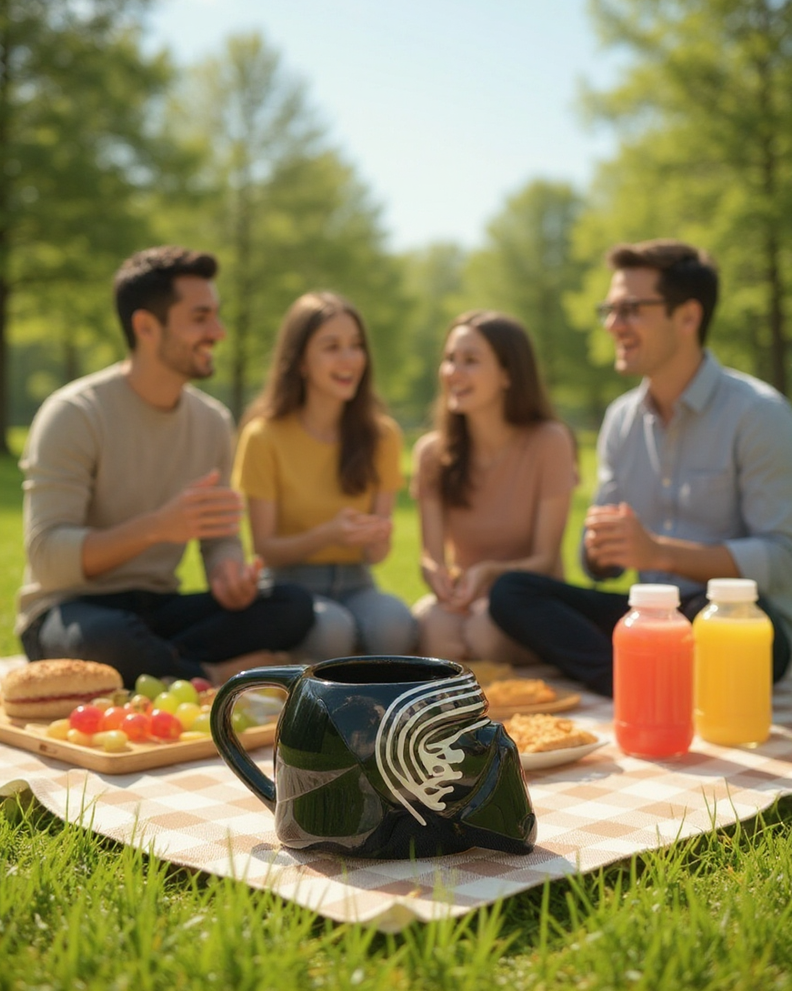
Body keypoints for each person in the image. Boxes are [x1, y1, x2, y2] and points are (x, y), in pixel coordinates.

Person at [488, 239, 792, 696]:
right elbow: (598, 567)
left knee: (763, 636)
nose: (613, 324)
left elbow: (781, 558)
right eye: (609, 310)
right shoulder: (621, 419)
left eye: (630, 309)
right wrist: (600, 548)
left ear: (688, 316)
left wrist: (660, 554)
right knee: (512, 592)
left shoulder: (758, 413)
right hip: (650, 615)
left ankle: (634, 679)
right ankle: (645, 682)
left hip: (731, 618)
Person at [17, 246, 314, 689]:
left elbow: (220, 540)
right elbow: (47, 560)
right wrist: (156, 527)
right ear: (145, 327)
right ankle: (213, 674)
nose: (219, 331)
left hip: (157, 608)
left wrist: (228, 573)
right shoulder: (74, 414)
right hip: (71, 607)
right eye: (200, 318)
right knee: (107, 641)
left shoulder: (213, 421)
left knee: (292, 605)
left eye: (216, 315)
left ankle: (165, 666)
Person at [232, 291, 416, 660]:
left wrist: (376, 537)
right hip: (291, 588)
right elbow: (264, 547)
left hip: (358, 582)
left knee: (395, 623)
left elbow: (377, 553)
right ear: (300, 361)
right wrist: (326, 535)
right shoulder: (264, 436)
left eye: (356, 345)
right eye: (332, 347)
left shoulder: (382, 435)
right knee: (332, 631)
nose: (349, 359)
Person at [410, 310, 577, 662]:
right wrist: (436, 576)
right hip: (464, 600)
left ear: (507, 374)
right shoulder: (431, 453)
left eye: (470, 361)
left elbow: (545, 560)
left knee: (486, 631)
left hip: (526, 598)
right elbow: (431, 556)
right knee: (432, 628)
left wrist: (489, 574)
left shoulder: (550, 441)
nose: (454, 372)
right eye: (450, 359)